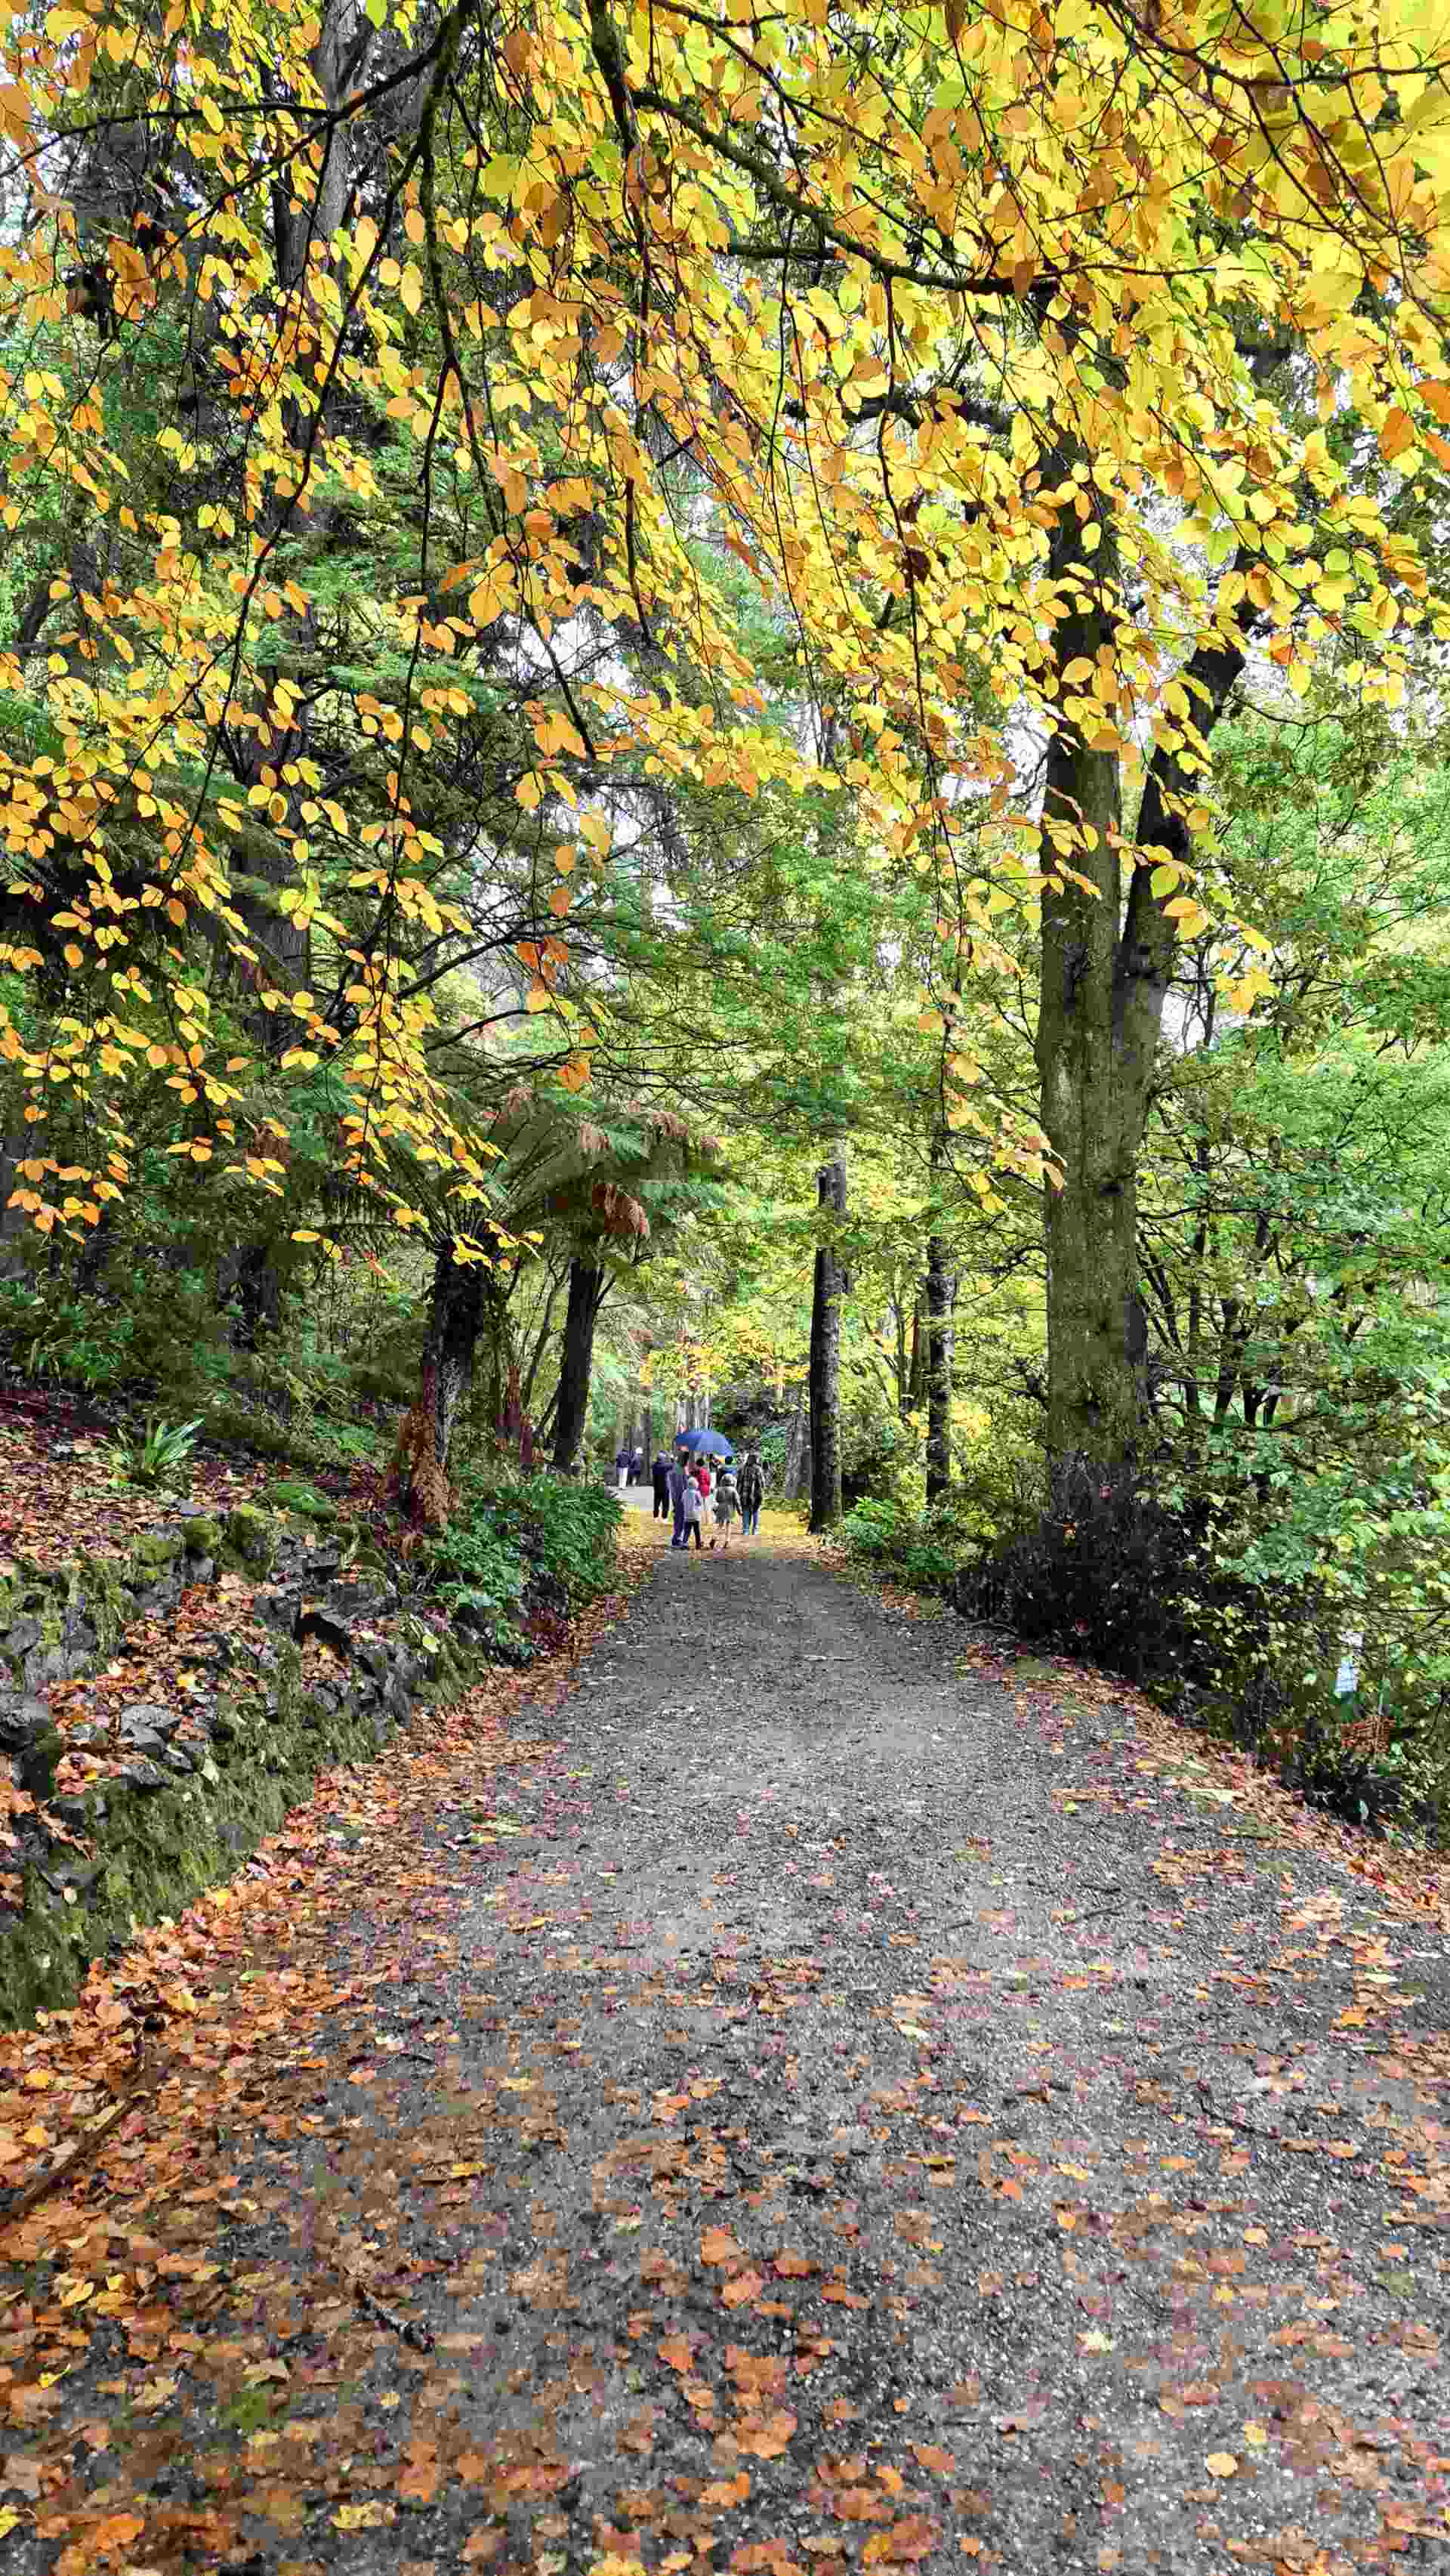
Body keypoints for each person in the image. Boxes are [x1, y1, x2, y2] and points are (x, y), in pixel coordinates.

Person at [738, 1450, 765, 1537]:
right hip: (756, 1495)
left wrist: (738, 1493)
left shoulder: (742, 1468)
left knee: (746, 1512)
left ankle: (746, 1530)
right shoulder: (758, 1469)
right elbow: (762, 1483)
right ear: (755, 1460)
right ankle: (755, 1530)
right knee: (755, 1512)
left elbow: (739, 1482)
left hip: (744, 1494)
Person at [667, 1451, 690, 1547]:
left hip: (677, 1498)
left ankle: (677, 1537)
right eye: (686, 1460)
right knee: (680, 1519)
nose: (687, 1462)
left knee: (679, 1519)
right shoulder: (679, 1470)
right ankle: (676, 1538)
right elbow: (681, 1486)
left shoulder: (677, 1468)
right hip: (680, 1498)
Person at [714, 1466, 739, 1549]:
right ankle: (727, 1541)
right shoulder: (733, 1490)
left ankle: (714, 1538)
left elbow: (717, 1499)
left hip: (721, 1508)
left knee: (720, 1525)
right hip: (729, 1508)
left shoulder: (719, 1489)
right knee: (728, 1525)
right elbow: (737, 1501)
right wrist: (739, 1510)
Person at [681, 1467, 705, 1549]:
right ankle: (698, 1544)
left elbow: (682, 1501)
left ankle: (684, 1543)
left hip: (687, 1515)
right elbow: (700, 1503)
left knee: (687, 1531)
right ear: (696, 1485)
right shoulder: (697, 1493)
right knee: (697, 1531)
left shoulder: (684, 1492)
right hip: (695, 1516)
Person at [651, 1450, 671, 1520]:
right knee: (665, 1504)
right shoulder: (666, 1466)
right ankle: (664, 1518)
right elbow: (673, 1465)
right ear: (663, 1459)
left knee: (656, 1503)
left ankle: (655, 1517)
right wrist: (671, 1457)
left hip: (657, 1487)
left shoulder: (654, 1466)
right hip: (665, 1488)